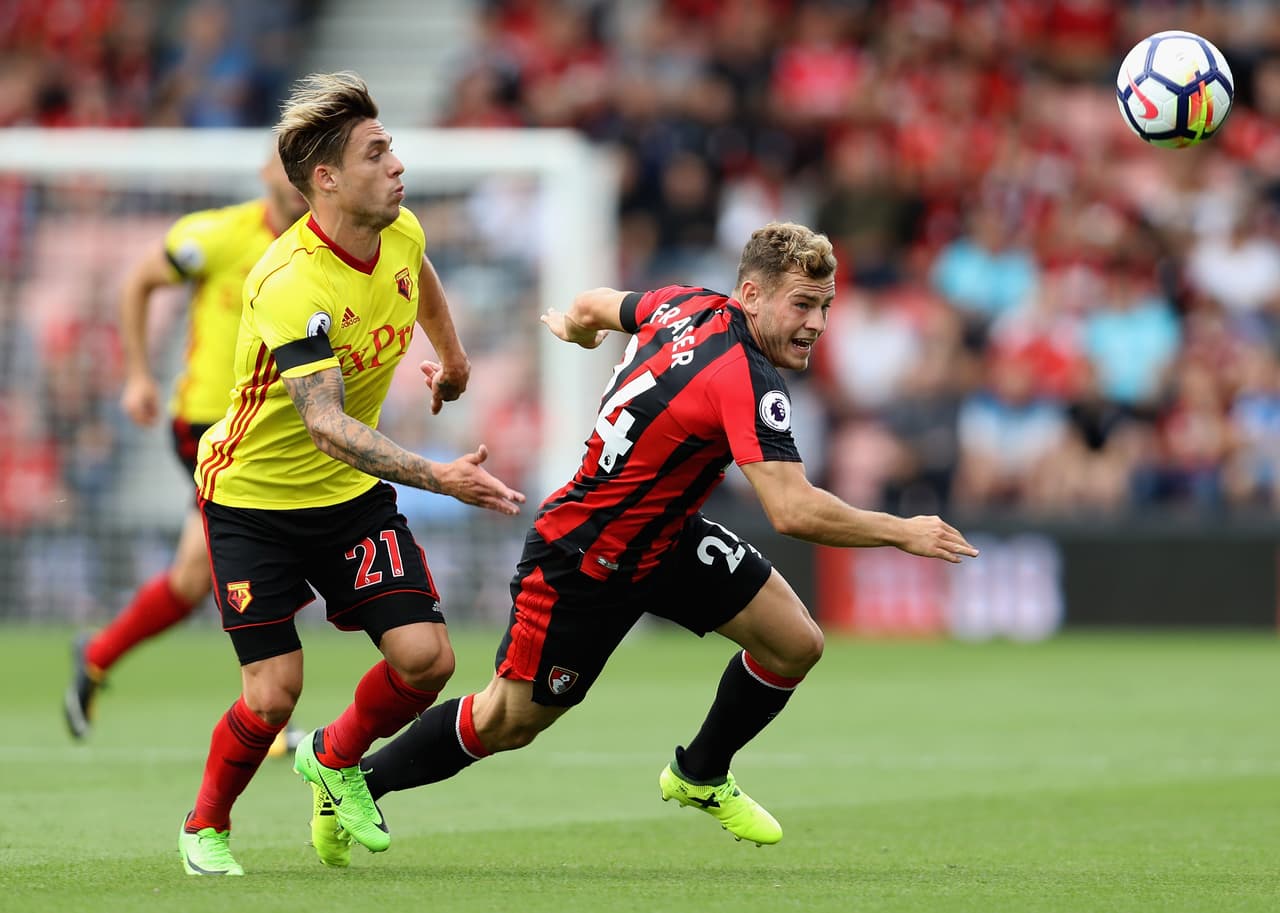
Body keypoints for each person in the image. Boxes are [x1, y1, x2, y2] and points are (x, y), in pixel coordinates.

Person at [307, 221, 978, 867]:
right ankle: (358, 778)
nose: (816, 324)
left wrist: (575, 324)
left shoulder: (683, 301)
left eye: (826, 307)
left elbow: (601, 303)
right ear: (750, 295)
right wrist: (903, 530)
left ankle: (701, 771)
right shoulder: (745, 376)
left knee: (795, 641)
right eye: (803, 304)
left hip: (664, 537)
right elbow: (792, 508)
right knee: (508, 720)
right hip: (584, 555)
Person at [176, 71, 526, 877]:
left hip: (344, 499)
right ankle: (205, 826)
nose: (396, 163)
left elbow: (420, 274)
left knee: (428, 661)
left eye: (392, 146)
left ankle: (332, 760)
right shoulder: (287, 280)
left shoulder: (397, 228)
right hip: (253, 499)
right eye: (377, 152)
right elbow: (327, 425)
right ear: (326, 179)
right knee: (272, 696)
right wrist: (440, 477)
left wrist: (454, 356)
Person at [64, 149, 309, 759]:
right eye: (286, 164)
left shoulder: (317, 247)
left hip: (271, 425)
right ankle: (270, 720)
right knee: (260, 546)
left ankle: (96, 655)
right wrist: (139, 376)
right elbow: (139, 281)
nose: (295, 176)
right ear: (265, 174)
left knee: (195, 575)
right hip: (207, 423)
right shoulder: (217, 235)